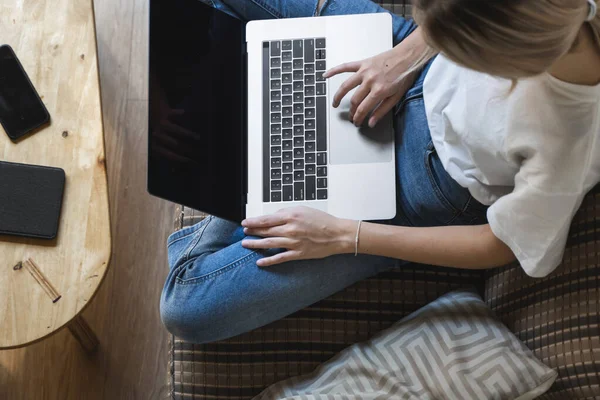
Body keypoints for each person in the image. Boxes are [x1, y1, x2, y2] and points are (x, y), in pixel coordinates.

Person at [160, 0, 600, 344]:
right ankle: (260, 140)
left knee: (187, 307)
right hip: (396, 60)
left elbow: (504, 245)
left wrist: (341, 235)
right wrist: (408, 55)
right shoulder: (528, 22)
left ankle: (251, 157)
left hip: (422, 187)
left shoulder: (569, 138)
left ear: (509, 65)